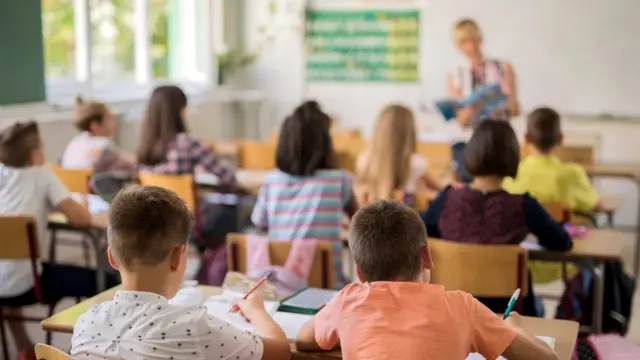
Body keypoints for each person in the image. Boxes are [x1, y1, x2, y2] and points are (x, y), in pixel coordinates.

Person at [297, 200, 559, 360]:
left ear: (360, 273)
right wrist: (512, 326)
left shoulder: (347, 302)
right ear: (427, 256)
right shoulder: (462, 307)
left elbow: (303, 339)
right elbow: (546, 358)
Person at [70, 185, 290, 360]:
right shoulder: (193, 326)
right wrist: (257, 311)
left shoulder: (85, 322)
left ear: (112, 258)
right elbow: (280, 352)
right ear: (177, 257)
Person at [421, 120, 572, 316]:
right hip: (507, 318)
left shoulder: (447, 199)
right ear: (512, 157)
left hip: (453, 313)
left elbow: (423, 236)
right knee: (540, 307)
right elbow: (562, 242)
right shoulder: (524, 205)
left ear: (470, 153)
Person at [0, 121, 118, 360]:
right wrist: (83, 207)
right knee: (107, 280)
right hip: (31, 286)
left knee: (10, 271)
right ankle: (94, 350)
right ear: (34, 155)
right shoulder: (41, 175)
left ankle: (24, 349)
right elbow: (81, 219)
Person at [251, 101, 358, 289]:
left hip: (282, 284)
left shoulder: (272, 181)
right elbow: (358, 224)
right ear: (325, 144)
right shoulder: (340, 180)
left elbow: (259, 222)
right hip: (327, 285)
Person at [136, 85, 238, 250]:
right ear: (179, 110)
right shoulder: (188, 142)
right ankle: (212, 271)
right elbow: (228, 177)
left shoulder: (144, 145)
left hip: (155, 222)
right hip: (187, 223)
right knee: (229, 215)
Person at [447, 18, 521, 182]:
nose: (470, 46)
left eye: (474, 39)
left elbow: (515, 110)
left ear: (480, 39)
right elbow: (460, 120)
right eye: (464, 42)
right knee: (468, 192)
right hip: (469, 142)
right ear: (458, 46)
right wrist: (468, 113)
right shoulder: (456, 75)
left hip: (498, 140)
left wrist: (508, 97)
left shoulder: (503, 68)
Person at [504, 107, 601, 213]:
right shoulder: (573, 174)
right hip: (559, 229)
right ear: (561, 138)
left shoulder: (512, 175)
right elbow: (594, 205)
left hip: (523, 230)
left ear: (526, 138)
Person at [356, 104, 444, 203]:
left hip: (371, 216)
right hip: (406, 216)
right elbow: (442, 189)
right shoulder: (417, 163)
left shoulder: (363, 159)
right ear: (409, 132)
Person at [61, 96, 135, 173]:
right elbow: (133, 165)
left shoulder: (74, 143)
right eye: (109, 119)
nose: (114, 124)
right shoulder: (102, 145)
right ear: (94, 126)